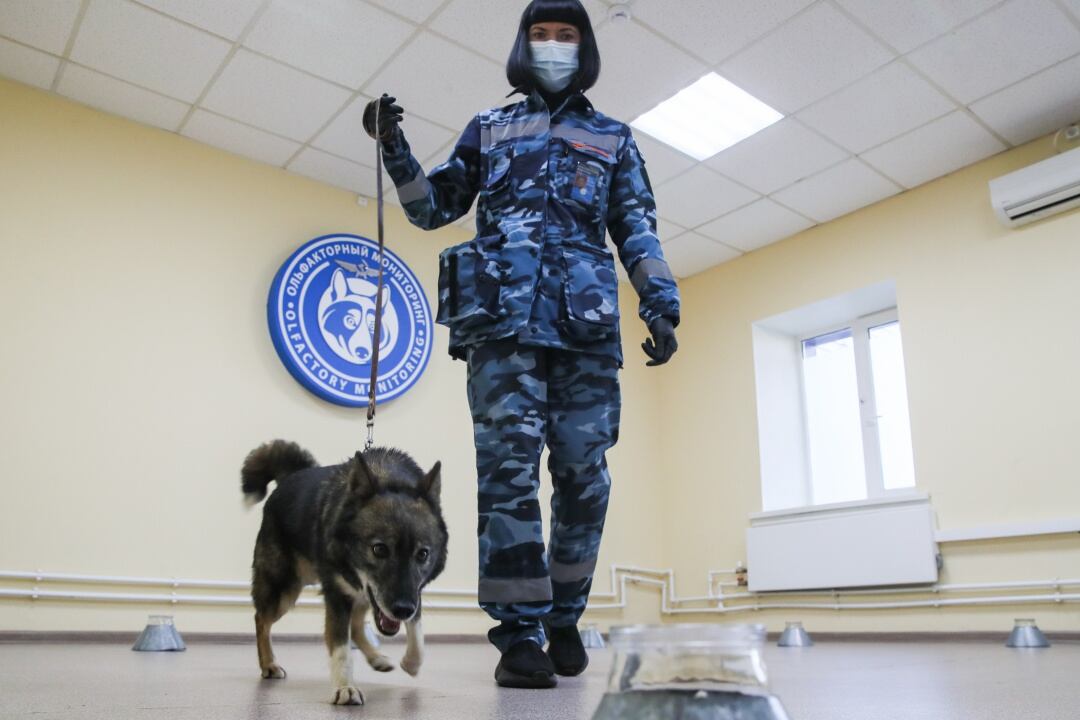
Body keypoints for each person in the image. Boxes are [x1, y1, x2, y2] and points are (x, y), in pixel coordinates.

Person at [363, 0, 680, 689]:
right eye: (542, 34)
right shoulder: (491, 129)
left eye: (568, 35)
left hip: (585, 332)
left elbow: (637, 227)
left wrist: (661, 302)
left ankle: (563, 615)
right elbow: (431, 207)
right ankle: (518, 636)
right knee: (508, 480)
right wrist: (394, 149)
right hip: (501, 328)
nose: (554, 45)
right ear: (523, 45)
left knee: (584, 481)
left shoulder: (614, 138)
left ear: (585, 48)